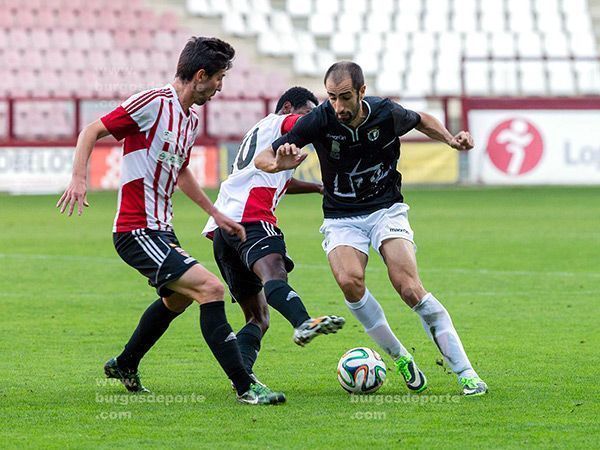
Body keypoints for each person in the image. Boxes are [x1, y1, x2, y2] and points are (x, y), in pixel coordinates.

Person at [56, 36, 285, 405]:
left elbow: (180, 172)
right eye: (218, 79)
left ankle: (125, 363)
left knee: (177, 300)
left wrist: (215, 213)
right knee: (211, 289)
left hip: (161, 229)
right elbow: (90, 131)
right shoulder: (152, 103)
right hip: (136, 228)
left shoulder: (190, 119)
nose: (219, 88)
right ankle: (246, 386)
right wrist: (79, 178)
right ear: (199, 75)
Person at [255, 61, 488, 396]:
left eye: (345, 97)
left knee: (408, 287)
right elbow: (264, 156)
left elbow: (421, 120)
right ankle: (400, 356)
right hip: (341, 218)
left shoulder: (385, 112)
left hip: (386, 210)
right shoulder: (319, 119)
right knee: (350, 282)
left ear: (361, 92)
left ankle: (465, 372)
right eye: (332, 97)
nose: (338, 106)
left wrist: (451, 140)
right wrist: (279, 162)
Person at [201, 87, 345, 378]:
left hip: (222, 228)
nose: (306, 124)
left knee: (258, 317)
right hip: (250, 216)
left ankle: (243, 378)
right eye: (304, 114)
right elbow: (309, 122)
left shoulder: (260, 132)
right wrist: (342, 106)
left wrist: (317, 187)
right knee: (274, 273)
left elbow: (276, 178)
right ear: (288, 107)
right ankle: (303, 322)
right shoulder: (282, 123)